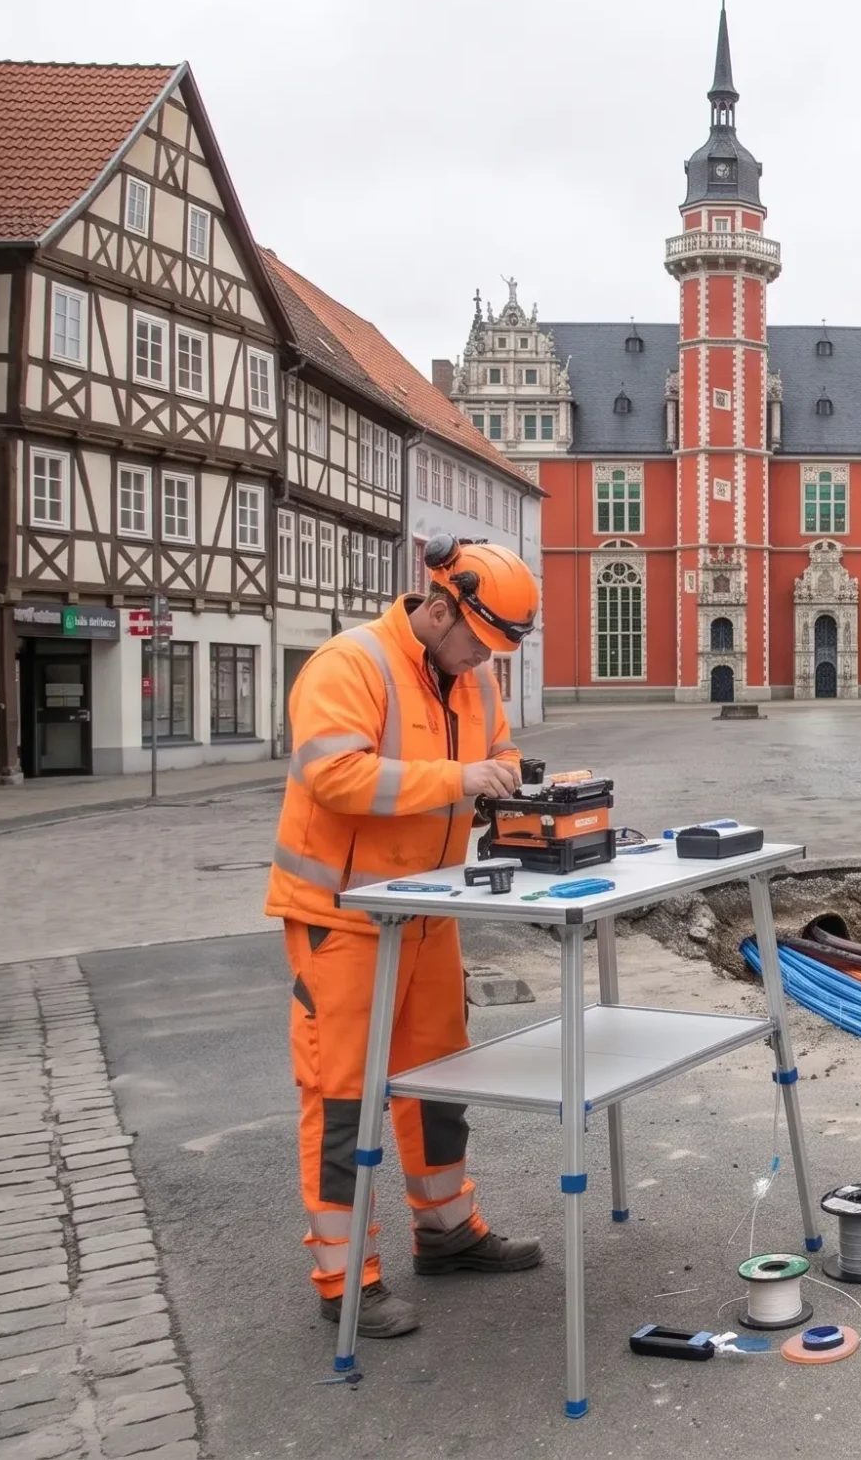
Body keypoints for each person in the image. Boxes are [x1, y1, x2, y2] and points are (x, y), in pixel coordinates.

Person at [266, 537, 545, 1337]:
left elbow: (498, 748)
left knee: (439, 1079)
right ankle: (345, 1278)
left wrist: (507, 779)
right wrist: (459, 780)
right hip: (343, 917)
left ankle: (447, 1231)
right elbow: (334, 775)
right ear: (440, 608)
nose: (483, 662)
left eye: (495, 651)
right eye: (478, 644)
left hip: (427, 911)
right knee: (343, 1095)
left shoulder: (472, 676)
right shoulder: (349, 664)